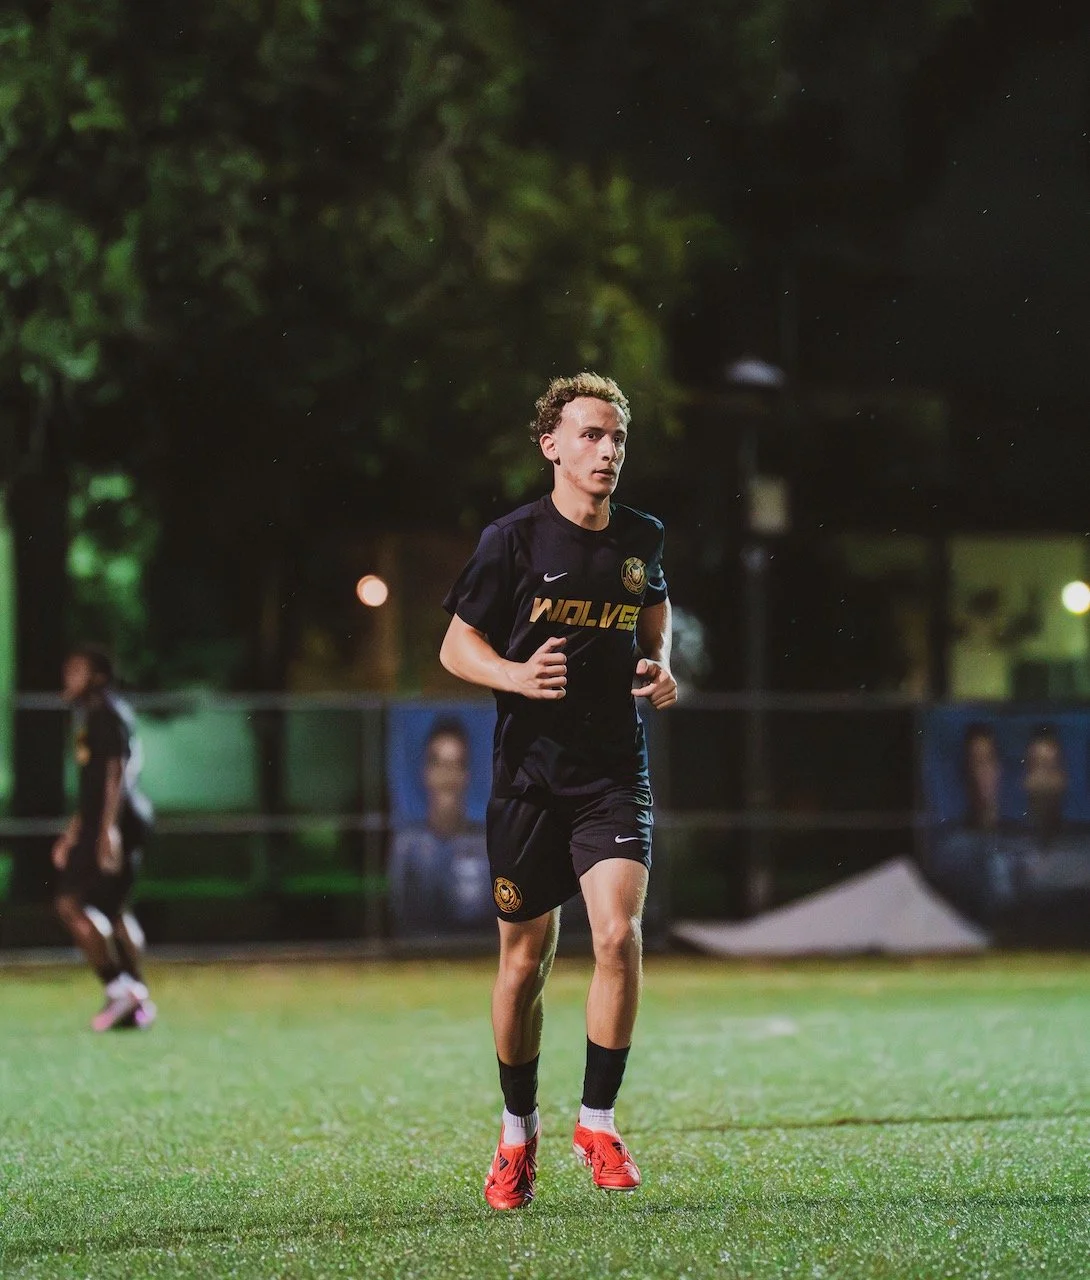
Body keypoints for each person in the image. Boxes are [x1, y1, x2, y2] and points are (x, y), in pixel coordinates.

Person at [439, 372, 677, 1209]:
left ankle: (598, 1120)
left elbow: (654, 609)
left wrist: (661, 661)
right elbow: (455, 646)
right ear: (551, 444)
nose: (606, 450)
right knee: (524, 963)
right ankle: (516, 1136)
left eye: (616, 437)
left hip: (613, 775)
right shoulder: (511, 541)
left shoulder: (642, 536)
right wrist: (511, 672)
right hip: (528, 782)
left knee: (617, 936)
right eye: (589, 435)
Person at [52, 645, 156, 1031]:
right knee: (113, 909)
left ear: (97, 676)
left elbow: (116, 775)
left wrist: (107, 829)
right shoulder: (94, 713)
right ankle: (136, 997)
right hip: (107, 821)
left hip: (115, 822)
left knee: (69, 902)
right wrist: (75, 829)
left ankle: (119, 986)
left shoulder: (107, 714)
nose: (68, 678)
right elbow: (93, 783)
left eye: (76, 670)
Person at [388, 716, 492, 935]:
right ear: (426, 772)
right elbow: (402, 919)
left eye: (456, 764)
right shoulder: (408, 847)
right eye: (440, 763)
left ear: (467, 774)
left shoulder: (487, 845)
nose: (447, 776)